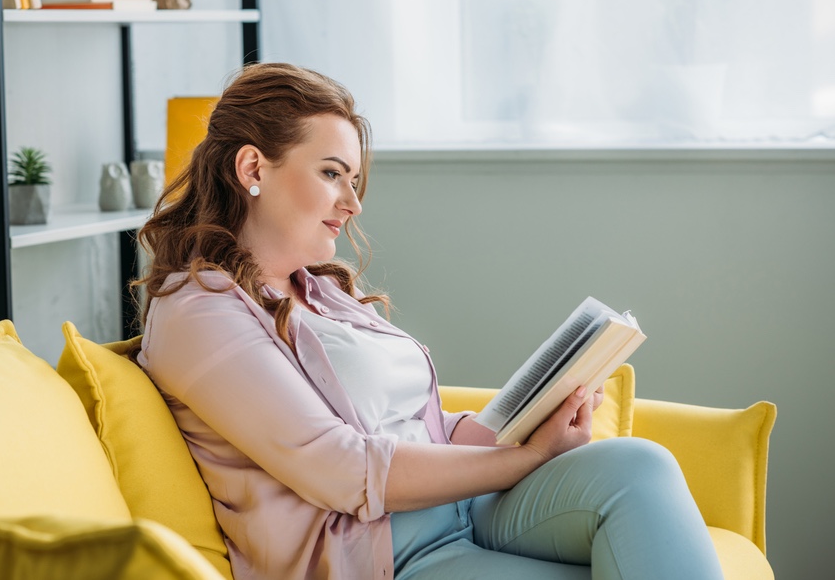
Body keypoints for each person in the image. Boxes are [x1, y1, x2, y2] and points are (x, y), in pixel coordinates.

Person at [134, 62, 723, 580]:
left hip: (462, 506)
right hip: (390, 555)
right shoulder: (200, 312)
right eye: (331, 174)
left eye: (353, 179)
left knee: (640, 466)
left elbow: (422, 425)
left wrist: (538, 419)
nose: (353, 202)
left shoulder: (321, 287)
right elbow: (340, 469)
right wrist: (527, 458)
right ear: (252, 168)